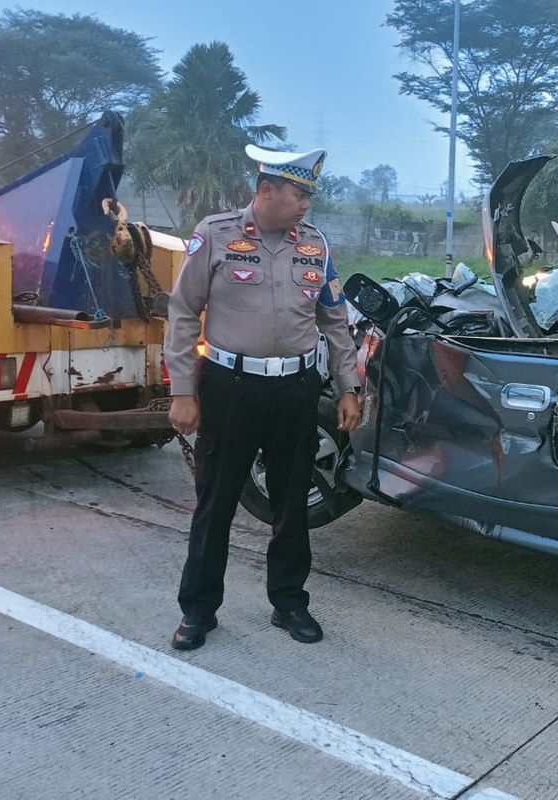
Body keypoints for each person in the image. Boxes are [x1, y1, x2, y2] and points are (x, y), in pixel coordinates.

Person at [164, 144, 362, 650]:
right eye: (298, 194)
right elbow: (184, 313)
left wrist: (349, 387)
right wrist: (183, 390)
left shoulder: (315, 245)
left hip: (295, 391)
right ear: (266, 190)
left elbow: (335, 323)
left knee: (292, 501)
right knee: (217, 502)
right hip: (229, 388)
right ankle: (199, 611)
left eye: (308, 196)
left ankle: (290, 602)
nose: (305, 205)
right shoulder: (216, 235)